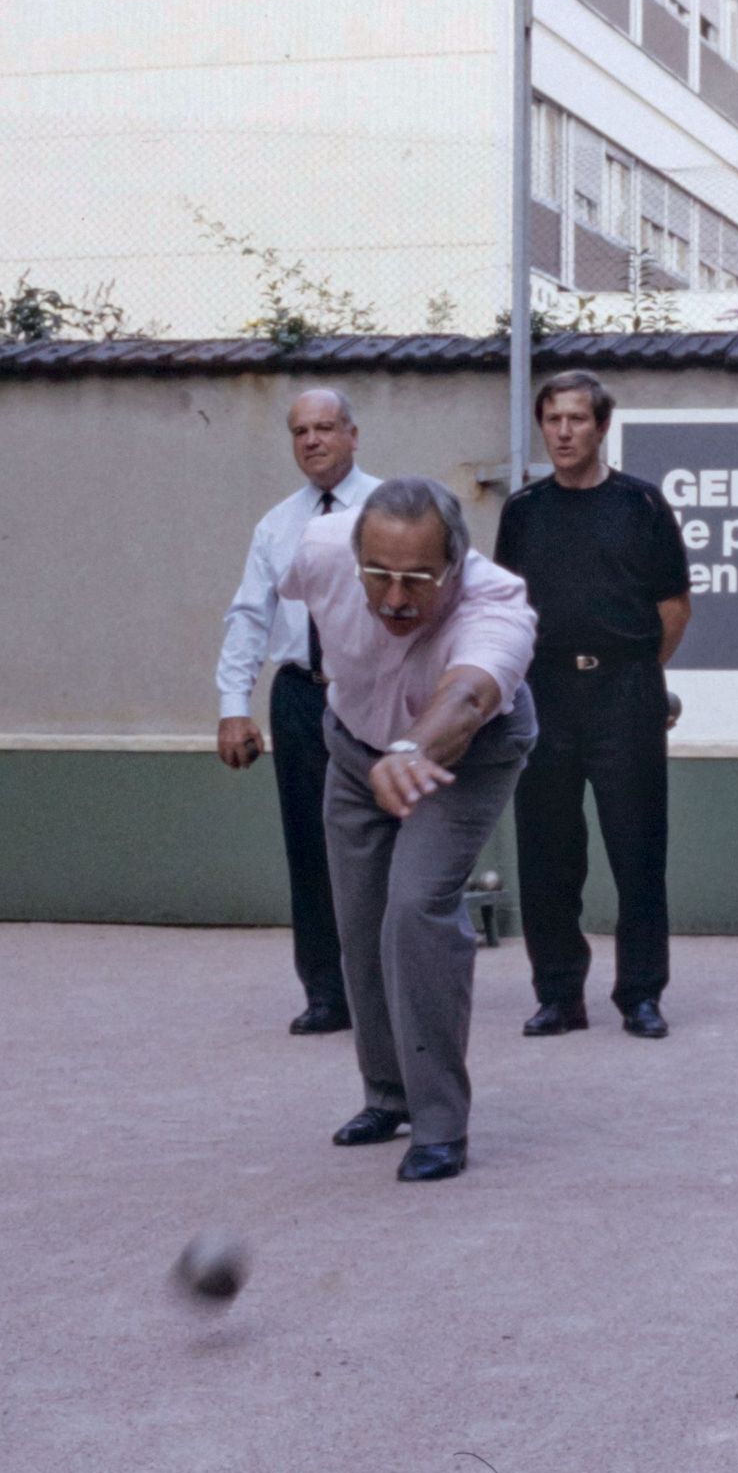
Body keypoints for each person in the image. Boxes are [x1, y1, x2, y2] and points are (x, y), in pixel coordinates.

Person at [280, 476, 540, 1183]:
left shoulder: (496, 601)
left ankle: (439, 1123)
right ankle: (388, 1094)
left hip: (464, 753)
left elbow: (470, 693)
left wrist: (412, 751)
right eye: (380, 575)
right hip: (354, 744)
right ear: (356, 553)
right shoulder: (321, 546)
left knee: (416, 909)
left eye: (418, 579)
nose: (395, 598)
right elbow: (264, 601)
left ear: (454, 566)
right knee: (360, 918)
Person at [495, 371, 693, 1040]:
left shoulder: (641, 506)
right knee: (547, 850)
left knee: (638, 847)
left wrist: (635, 676)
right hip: (543, 691)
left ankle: (640, 993)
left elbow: (674, 608)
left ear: (601, 427)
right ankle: (558, 994)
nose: (564, 431)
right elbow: (506, 611)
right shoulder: (523, 511)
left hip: (623, 692)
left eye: (577, 419)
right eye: (552, 419)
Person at [215, 389, 381, 1036]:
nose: (312, 440)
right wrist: (234, 705)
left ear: (353, 434)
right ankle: (325, 990)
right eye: (299, 431)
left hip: (371, 692)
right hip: (300, 695)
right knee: (310, 847)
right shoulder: (277, 523)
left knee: (379, 842)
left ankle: (387, 981)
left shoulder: (395, 507)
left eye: (325, 428)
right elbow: (248, 616)